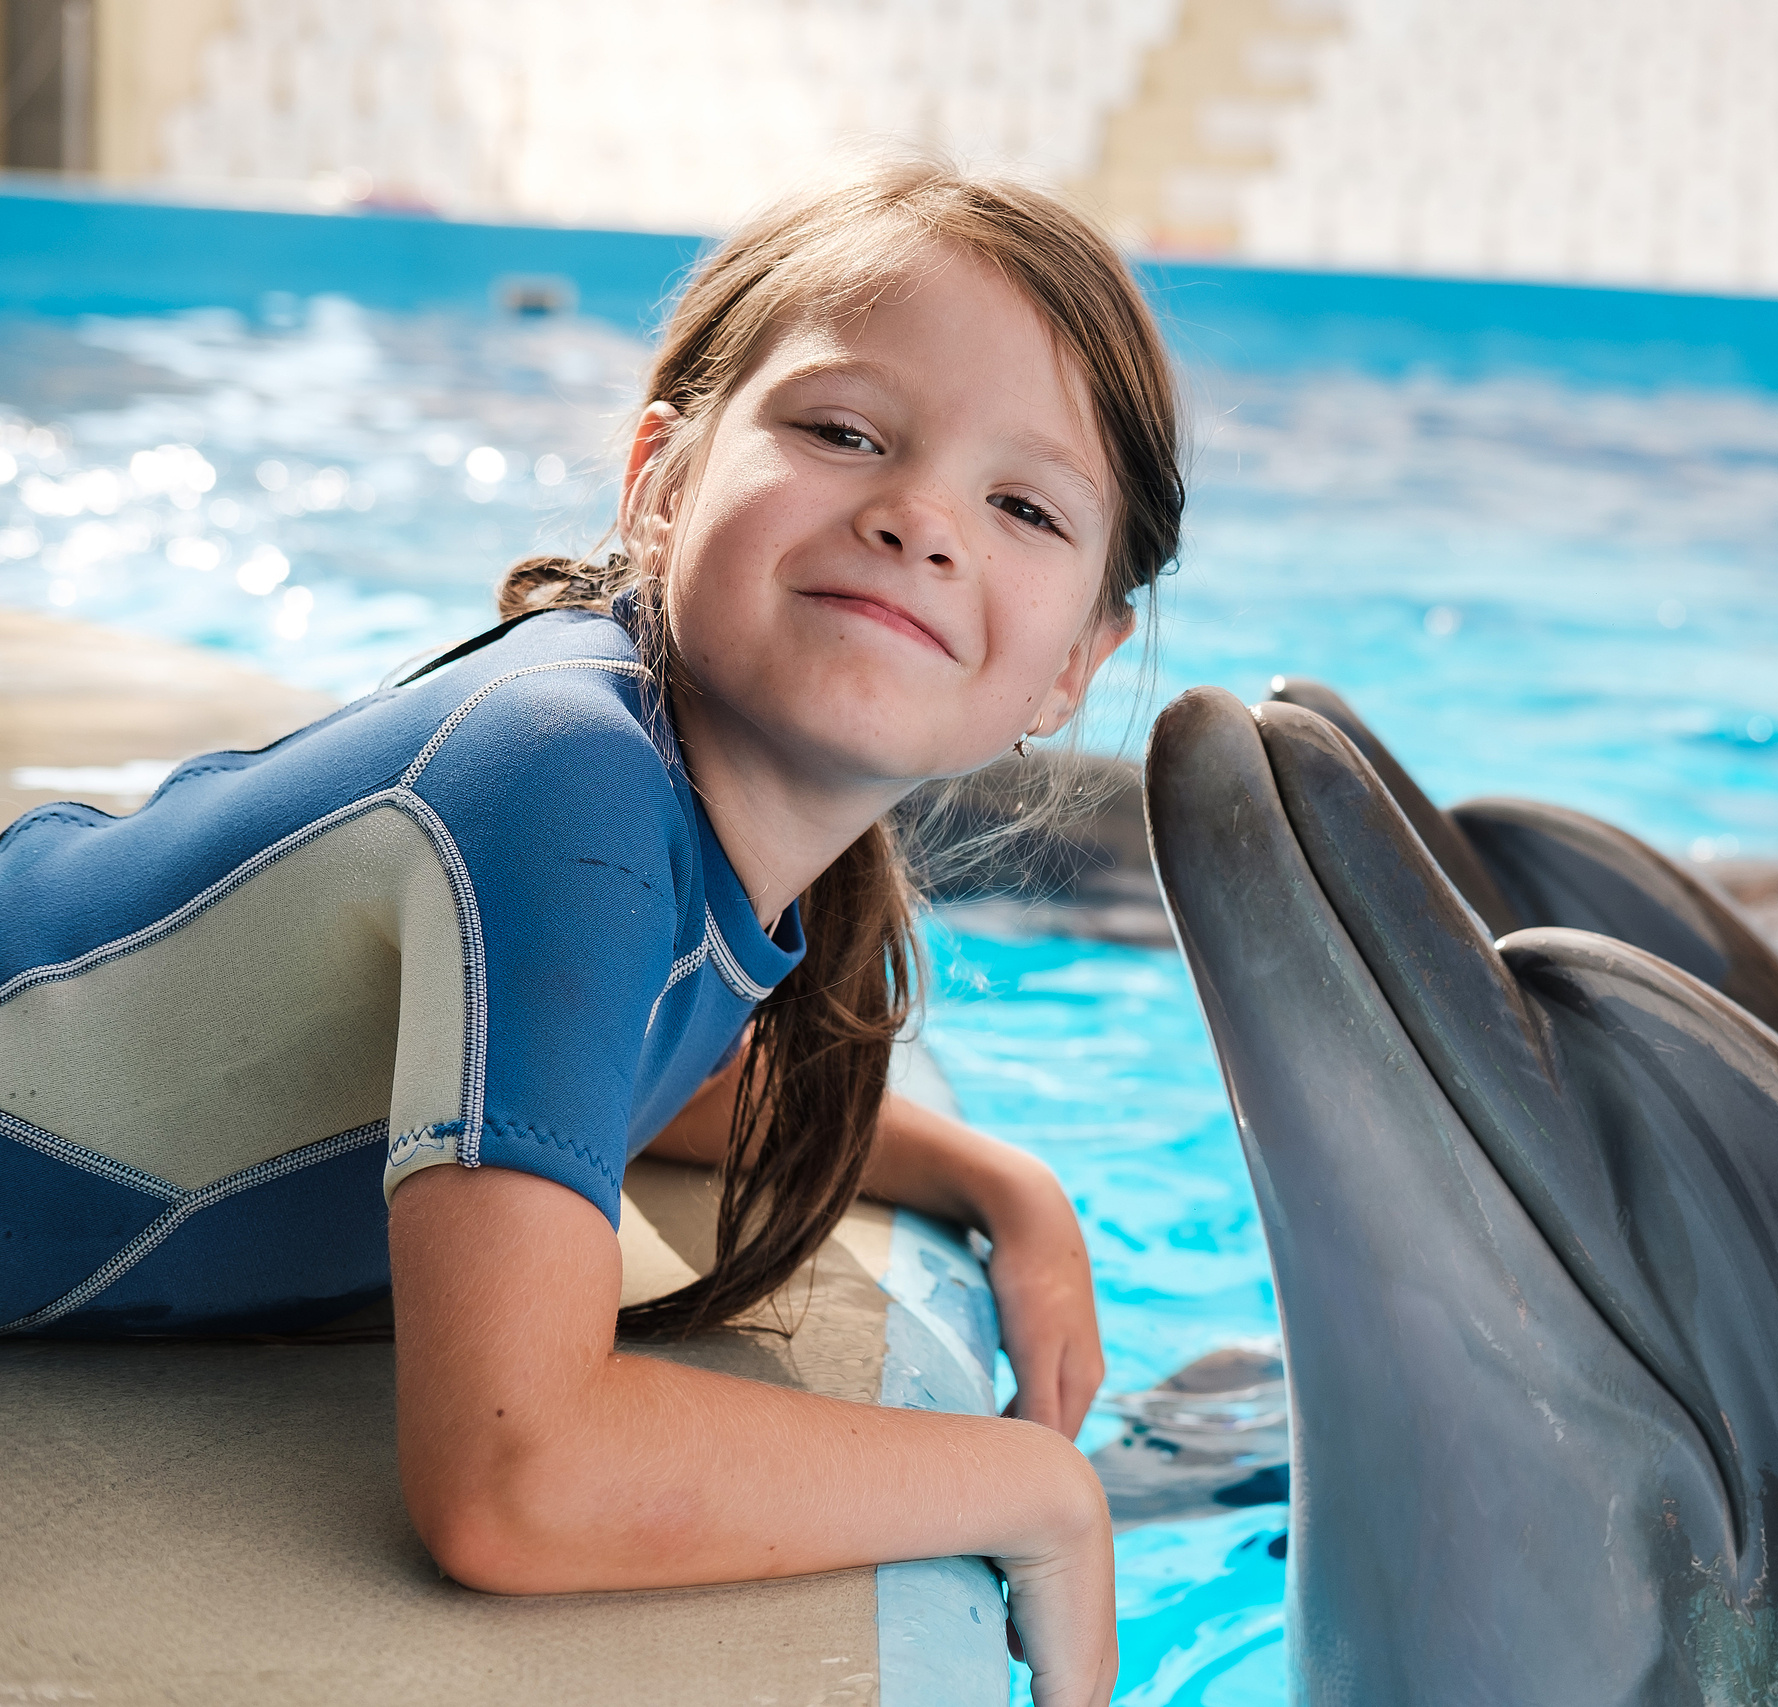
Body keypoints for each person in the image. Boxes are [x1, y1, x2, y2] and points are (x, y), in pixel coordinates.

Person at [0, 155, 1183, 1707]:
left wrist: (995, 1182)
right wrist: (1036, 1493)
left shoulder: (669, 819)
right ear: (663, 479)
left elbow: (583, 1072)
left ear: (1070, 673)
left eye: (1022, 504)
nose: (917, 518)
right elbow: (516, 1480)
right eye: (842, 432)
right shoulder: (568, 777)